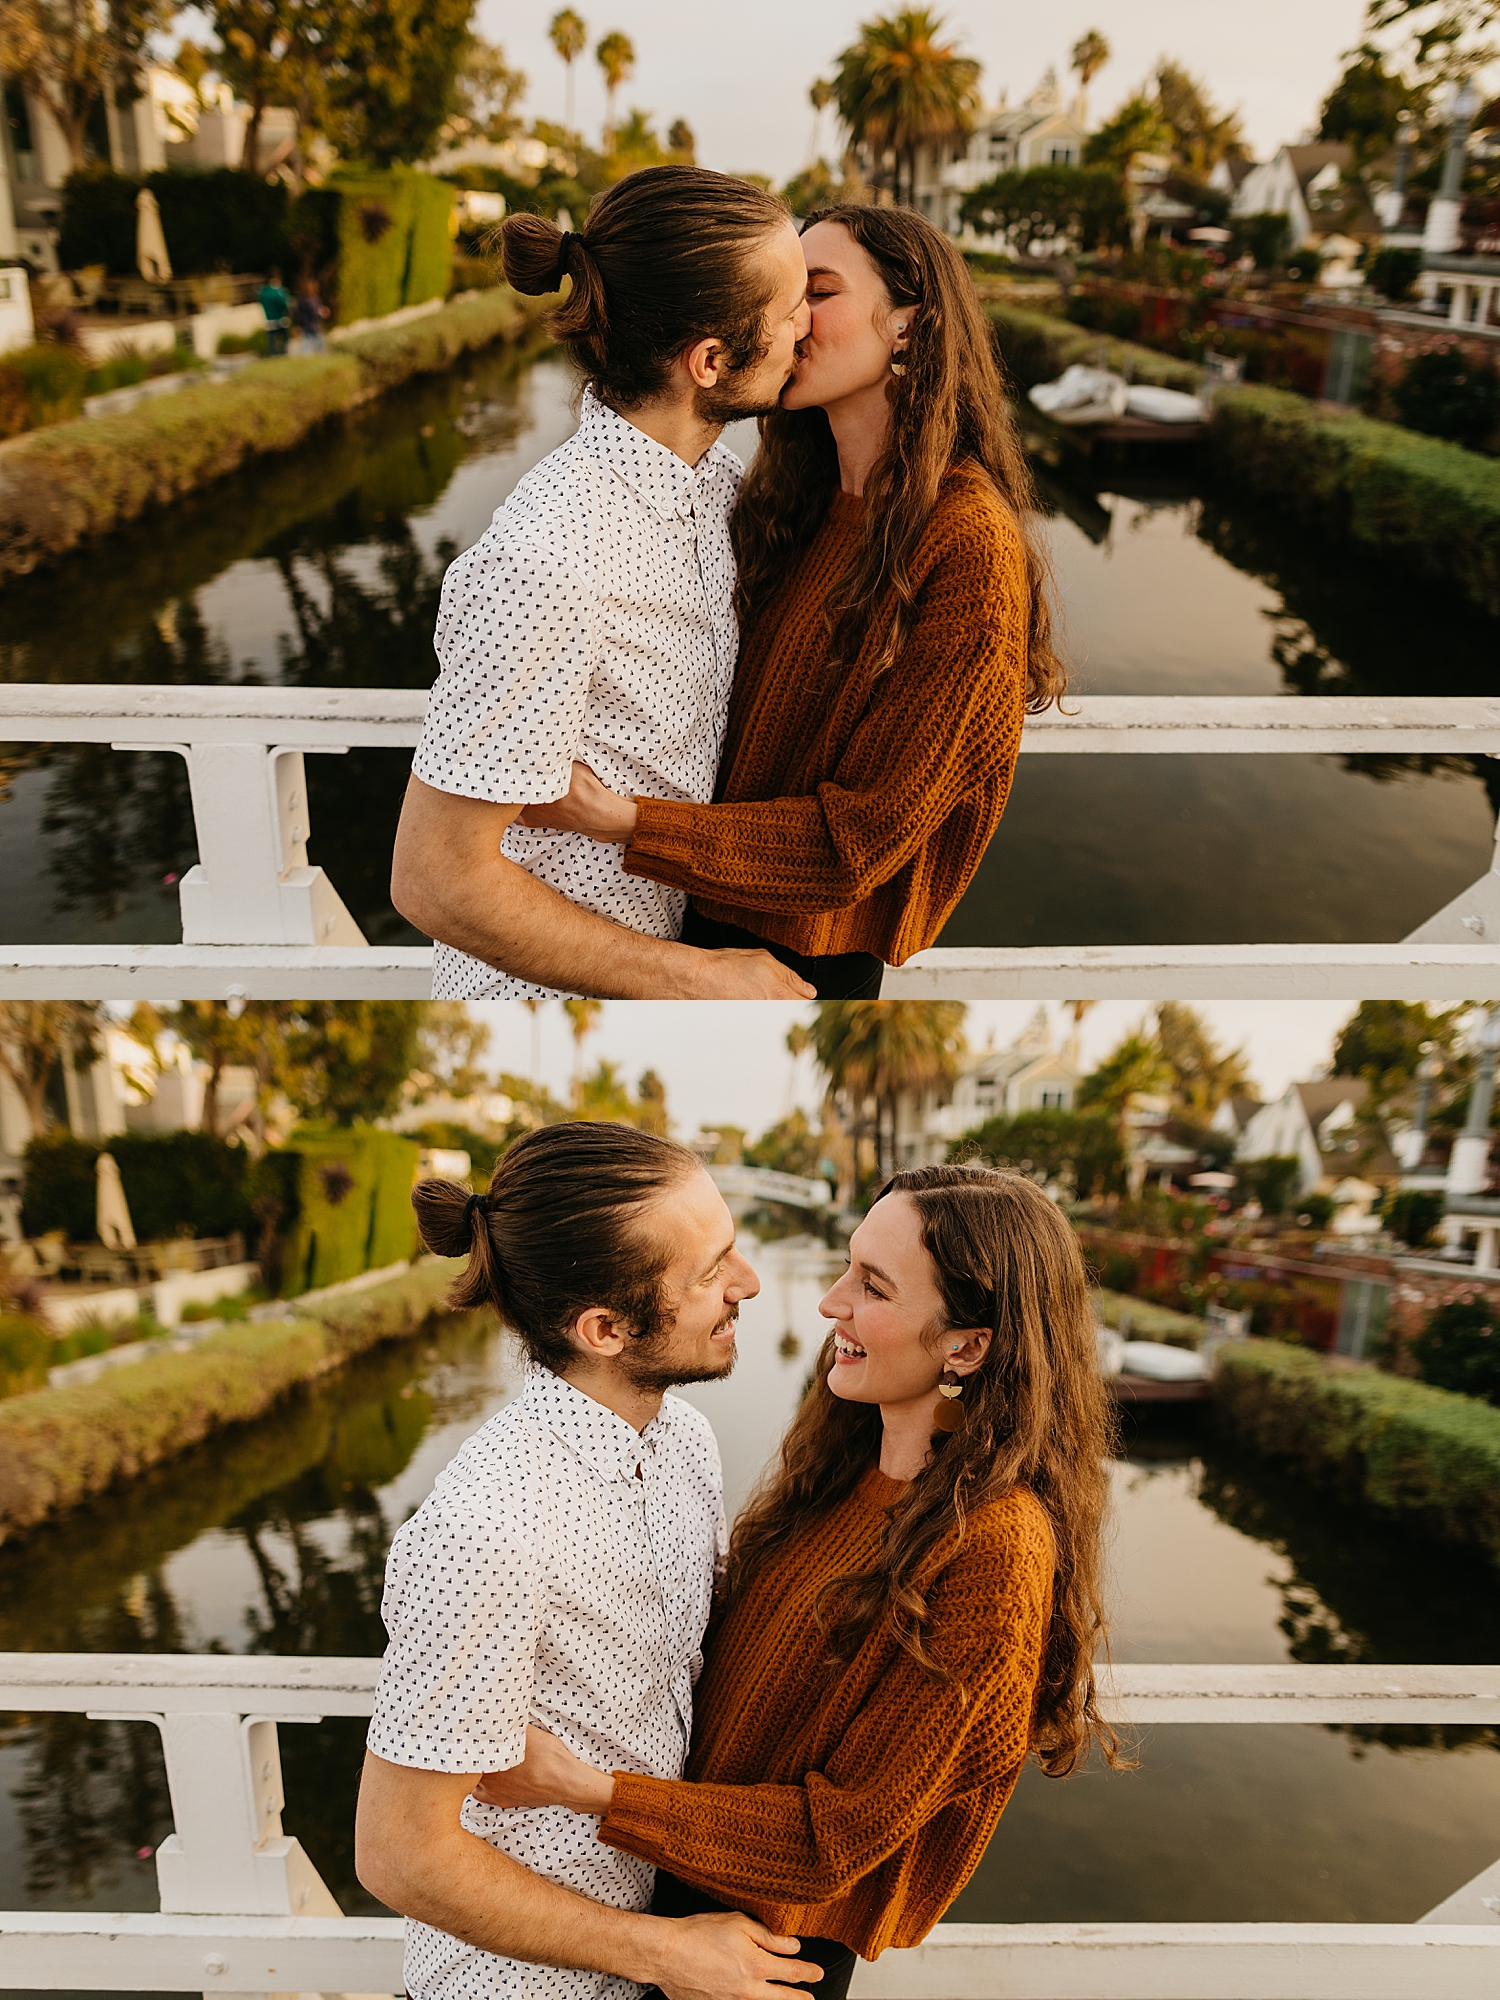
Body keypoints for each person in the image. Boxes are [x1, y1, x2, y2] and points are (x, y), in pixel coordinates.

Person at [473, 1164, 1124, 1993]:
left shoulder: (994, 1546)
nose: (831, 1302)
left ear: (968, 1344)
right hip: (665, 1900)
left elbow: (839, 1837)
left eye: (873, 1287)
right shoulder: (840, 1466)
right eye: (847, 1266)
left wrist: (584, 1788)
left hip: (762, 1956)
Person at [519, 206, 1067, 999]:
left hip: (799, 961)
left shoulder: (965, 540)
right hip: (687, 913)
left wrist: (624, 819)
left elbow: (863, 840)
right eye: (785, 295)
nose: (793, 320)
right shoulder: (789, 496)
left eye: (820, 291)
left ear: (908, 325)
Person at [355, 1122, 829, 2000]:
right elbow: (398, 1855)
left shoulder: (684, 1440)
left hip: (652, 1959)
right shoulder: (487, 1528)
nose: (749, 1283)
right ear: (605, 1328)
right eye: (709, 1272)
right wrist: (668, 1954)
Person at [390, 166, 815, 1003]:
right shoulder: (551, 557)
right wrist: (701, 979)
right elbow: (436, 879)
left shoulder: (717, 487)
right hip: (550, 1004)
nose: (809, 326)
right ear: (711, 359)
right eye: (792, 308)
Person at [258, 267, 292, 357]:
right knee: (284, 337)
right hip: (280, 318)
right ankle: (283, 353)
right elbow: (284, 304)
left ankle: (273, 355)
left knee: (272, 339)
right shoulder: (279, 292)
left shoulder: (263, 292)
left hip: (269, 319)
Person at [294, 277, 328, 353]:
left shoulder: (300, 301)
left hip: (306, 325)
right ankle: (320, 356)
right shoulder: (314, 300)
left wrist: (299, 325)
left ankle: (305, 358)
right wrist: (322, 313)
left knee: (306, 344)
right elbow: (314, 313)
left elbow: (298, 315)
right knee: (318, 343)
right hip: (314, 325)